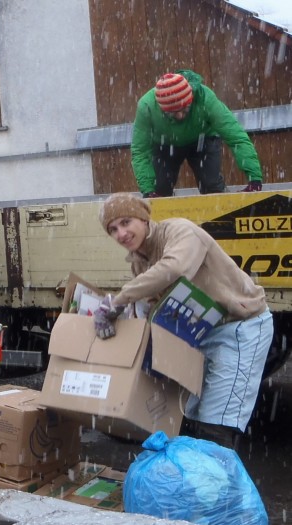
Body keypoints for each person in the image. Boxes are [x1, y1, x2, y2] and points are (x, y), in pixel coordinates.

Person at [94, 192, 273, 448]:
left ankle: (221, 486)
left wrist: (119, 299)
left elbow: (174, 270)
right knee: (191, 417)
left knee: (216, 423)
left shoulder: (180, 231)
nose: (121, 233)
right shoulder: (139, 262)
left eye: (126, 222)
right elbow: (154, 305)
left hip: (238, 327)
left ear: (144, 219)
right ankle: (198, 483)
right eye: (113, 229)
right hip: (198, 333)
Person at [131, 69, 264, 197]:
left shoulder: (206, 99)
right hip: (164, 145)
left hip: (203, 139)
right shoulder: (147, 106)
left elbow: (236, 137)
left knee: (211, 185)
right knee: (159, 190)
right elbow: (140, 151)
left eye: (184, 109)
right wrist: (148, 191)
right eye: (172, 113)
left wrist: (255, 179)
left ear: (191, 99)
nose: (180, 116)